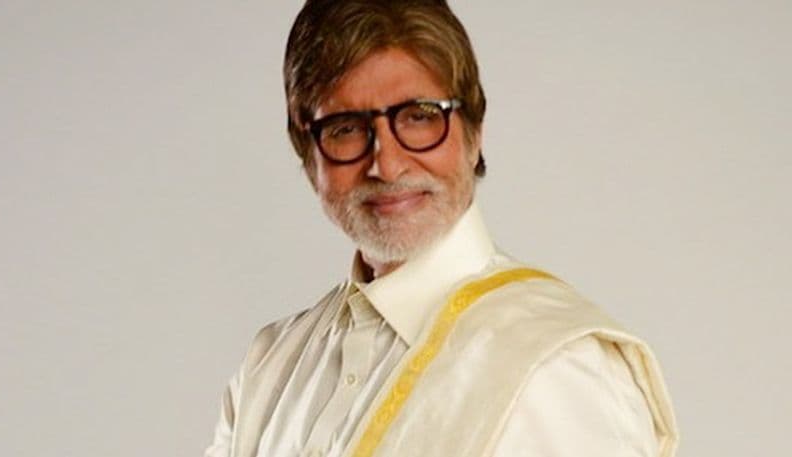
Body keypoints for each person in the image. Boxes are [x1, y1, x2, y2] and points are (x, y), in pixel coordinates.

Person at [206, 1, 679, 456]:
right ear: (308, 155)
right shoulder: (272, 363)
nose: (387, 165)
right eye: (346, 128)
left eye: (418, 117)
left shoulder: (555, 365)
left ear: (475, 131)